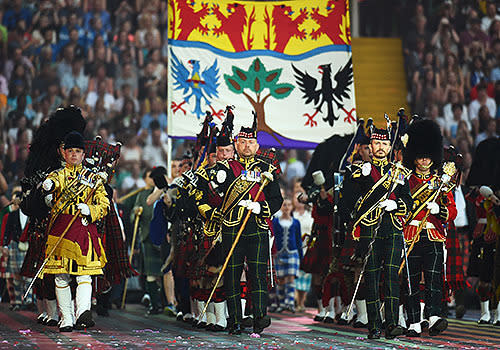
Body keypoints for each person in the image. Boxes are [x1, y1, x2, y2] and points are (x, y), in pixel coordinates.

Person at [196, 113, 283, 335]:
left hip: (258, 227)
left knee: (257, 274)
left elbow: (277, 200)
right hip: (232, 227)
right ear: (237, 144)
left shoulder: (267, 167)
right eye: (242, 142)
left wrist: (260, 208)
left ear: (257, 144)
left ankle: (260, 317)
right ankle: (234, 320)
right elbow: (213, 193)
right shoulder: (226, 168)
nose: (246, 146)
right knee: (232, 275)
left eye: (251, 142)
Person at [41, 131, 110, 332]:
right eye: (70, 151)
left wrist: (92, 210)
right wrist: (48, 186)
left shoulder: (93, 178)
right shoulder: (58, 174)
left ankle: (82, 313)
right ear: (64, 153)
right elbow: (54, 183)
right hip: (61, 228)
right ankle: (67, 318)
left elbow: (104, 203)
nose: (73, 154)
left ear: (83, 154)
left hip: (82, 228)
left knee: (84, 276)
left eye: (77, 151)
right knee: (61, 276)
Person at [350, 124, 413, 339]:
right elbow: (350, 202)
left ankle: (393, 323)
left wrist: (397, 206)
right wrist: (365, 179)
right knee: (372, 278)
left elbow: (408, 201)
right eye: (377, 143)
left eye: (385, 144)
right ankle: (374, 325)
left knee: (392, 278)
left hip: (393, 229)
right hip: (370, 229)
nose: (380, 147)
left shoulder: (400, 172)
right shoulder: (359, 171)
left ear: (390, 147)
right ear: (371, 145)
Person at [401, 119, 457, 337]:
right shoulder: (405, 180)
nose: (424, 159)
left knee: (434, 278)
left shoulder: (439, 182)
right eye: (421, 155)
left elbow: (452, 210)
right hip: (411, 234)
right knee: (412, 279)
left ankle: (433, 316)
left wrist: (439, 211)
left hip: (433, 235)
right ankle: (414, 320)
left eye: (428, 155)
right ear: (414, 156)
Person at [270, 198, 302, 313]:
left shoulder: (295, 222)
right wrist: (273, 251)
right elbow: (273, 237)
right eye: (284, 205)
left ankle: (290, 302)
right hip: (279, 253)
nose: (287, 207)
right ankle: (281, 302)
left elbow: (298, 239)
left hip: (292, 253)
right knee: (281, 279)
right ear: (281, 207)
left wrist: (301, 255)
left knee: (291, 278)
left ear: (292, 207)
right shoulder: (276, 221)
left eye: (289, 205)